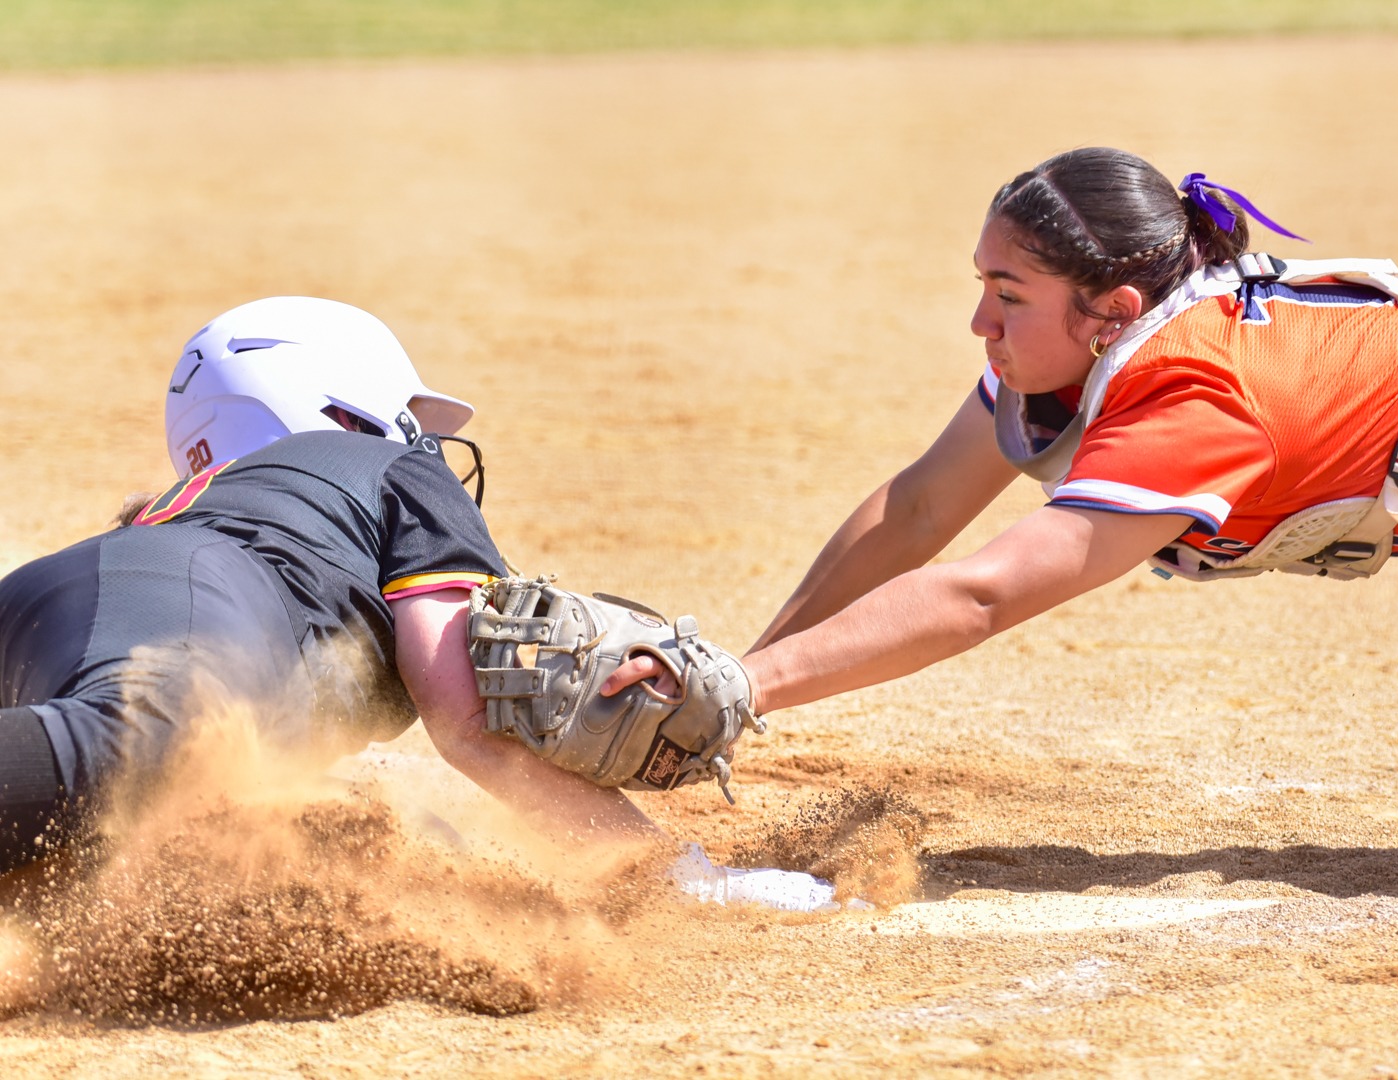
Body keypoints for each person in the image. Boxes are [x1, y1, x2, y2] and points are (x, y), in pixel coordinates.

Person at [607, 146, 1398, 887]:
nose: (978, 322)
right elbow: (915, 514)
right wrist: (749, 675)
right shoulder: (1070, 366)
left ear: (1112, 309)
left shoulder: (1192, 391)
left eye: (1006, 292)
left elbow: (991, 587)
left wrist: (740, 687)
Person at [0, 298, 840, 911]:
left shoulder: (226, 512)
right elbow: (470, 723)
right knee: (146, 749)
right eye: (409, 421)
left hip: (47, 604)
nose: (427, 445)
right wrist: (677, 874)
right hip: (185, 601)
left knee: (133, 846)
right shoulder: (388, 471)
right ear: (339, 410)